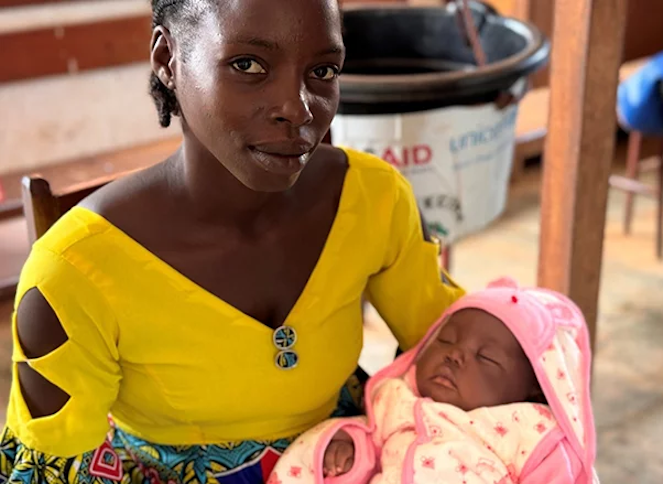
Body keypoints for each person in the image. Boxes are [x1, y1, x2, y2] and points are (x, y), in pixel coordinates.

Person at [0, 0, 463, 482]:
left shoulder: (373, 198)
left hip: (353, 461)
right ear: (167, 59)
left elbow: (460, 346)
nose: (297, 108)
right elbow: (57, 468)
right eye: (248, 65)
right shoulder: (76, 270)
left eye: (322, 70)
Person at [268, 278, 598, 484]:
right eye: (445, 340)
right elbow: (376, 445)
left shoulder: (532, 434)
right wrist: (348, 450)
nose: (454, 355)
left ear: (534, 386)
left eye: (485, 358)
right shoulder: (400, 400)